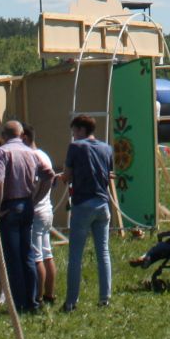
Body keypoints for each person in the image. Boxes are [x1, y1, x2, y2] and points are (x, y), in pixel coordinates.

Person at [0, 119, 41, 313]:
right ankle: (33, 299)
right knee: (28, 254)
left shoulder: (1, 152)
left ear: (3, 135)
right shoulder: (30, 152)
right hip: (27, 203)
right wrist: (34, 198)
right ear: (21, 134)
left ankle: (19, 303)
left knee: (13, 257)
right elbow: (44, 175)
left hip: (9, 205)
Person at [61, 113, 114, 311]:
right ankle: (104, 298)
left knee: (76, 254)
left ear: (81, 130)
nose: (73, 136)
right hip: (102, 203)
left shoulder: (76, 147)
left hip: (83, 203)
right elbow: (108, 173)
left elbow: (68, 174)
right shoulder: (106, 148)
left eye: (74, 131)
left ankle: (71, 301)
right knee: (103, 252)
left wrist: (63, 178)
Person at [20, 122, 59, 308]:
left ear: (25, 138)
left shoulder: (33, 156)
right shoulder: (43, 154)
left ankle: (39, 297)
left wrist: (33, 201)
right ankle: (50, 294)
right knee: (46, 253)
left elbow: (48, 177)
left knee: (36, 257)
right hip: (46, 209)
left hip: (37, 210)